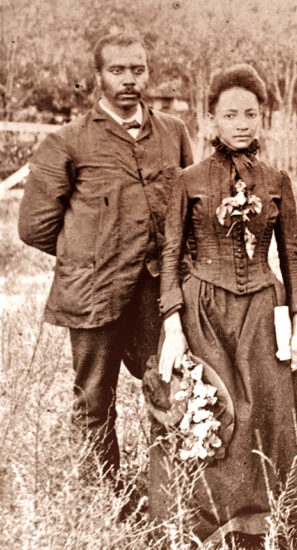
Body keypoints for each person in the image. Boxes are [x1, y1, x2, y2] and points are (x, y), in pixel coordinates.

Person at [153, 63, 297, 545]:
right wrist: (173, 326)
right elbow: (170, 254)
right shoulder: (188, 179)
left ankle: (265, 528)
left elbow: (291, 256)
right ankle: (209, 529)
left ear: (261, 118)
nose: (241, 124)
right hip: (203, 314)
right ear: (211, 119)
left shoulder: (277, 180)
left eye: (250, 114)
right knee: (212, 412)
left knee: (265, 418)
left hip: (262, 314)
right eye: (230, 115)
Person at [18, 31, 193, 484]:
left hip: (159, 293)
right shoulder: (67, 141)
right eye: (117, 70)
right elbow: (34, 227)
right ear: (98, 76)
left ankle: (168, 497)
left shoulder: (173, 132)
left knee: (171, 390)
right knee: (94, 401)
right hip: (93, 293)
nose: (129, 80)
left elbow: (188, 208)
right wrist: (93, 256)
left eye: (138, 69)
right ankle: (104, 498)